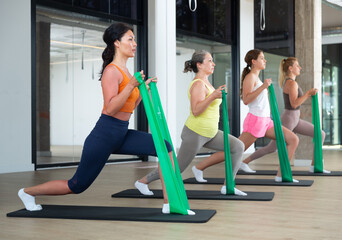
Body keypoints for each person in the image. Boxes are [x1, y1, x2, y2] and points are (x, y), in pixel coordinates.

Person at [18, 22, 194, 215]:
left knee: (165, 147)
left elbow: (128, 106)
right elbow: (110, 109)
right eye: (130, 39)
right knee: (77, 185)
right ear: (117, 43)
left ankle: (169, 203)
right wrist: (131, 86)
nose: (134, 43)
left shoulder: (127, 72)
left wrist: (143, 89)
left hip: (121, 132)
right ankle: (27, 192)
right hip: (104, 135)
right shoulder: (112, 71)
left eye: (134, 39)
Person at [135, 50, 247, 196]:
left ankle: (228, 186)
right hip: (195, 133)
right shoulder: (198, 84)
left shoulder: (207, 83)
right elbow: (196, 110)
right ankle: (142, 182)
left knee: (238, 146)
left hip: (211, 133)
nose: (213, 64)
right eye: (210, 61)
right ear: (199, 65)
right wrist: (213, 96)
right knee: (178, 168)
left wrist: (215, 94)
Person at [239, 57, 330, 173]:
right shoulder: (291, 83)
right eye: (297, 65)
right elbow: (294, 104)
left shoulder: (291, 82)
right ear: (291, 69)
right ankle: (244, 162)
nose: (300, 68)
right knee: (272, 147)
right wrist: (308, 94)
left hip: (295, 119)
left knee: (320, 134)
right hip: (289, 118)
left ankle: (315, 166)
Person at [238, 49, 299, 182]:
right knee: (236, 150)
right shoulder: (250, 77)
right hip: (255, 121)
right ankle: (200, 167)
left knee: (293, 139)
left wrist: (264, 87)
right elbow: (246, 100)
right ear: (254, 61)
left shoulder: (257, 78)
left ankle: (281, 175)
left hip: (266, 121)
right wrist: (263, 87)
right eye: (262, 58)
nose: (265, 60)